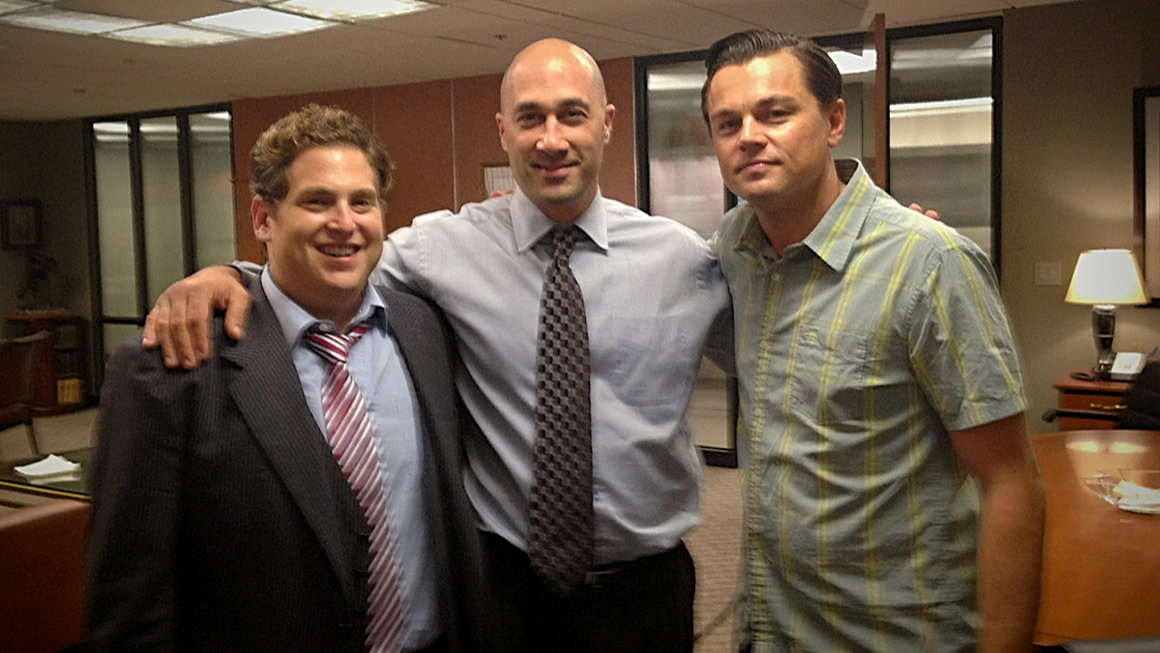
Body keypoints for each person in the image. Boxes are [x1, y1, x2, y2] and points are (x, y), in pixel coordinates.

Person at [140, 39, 732, 653]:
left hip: (645, 591)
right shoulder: (438, 250)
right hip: (501, 590)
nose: (550, 139)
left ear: (606, 124)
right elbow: (334, 260)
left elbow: (762, 357)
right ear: (503, 131)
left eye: (572, 114)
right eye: (529, 117)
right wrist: (231, 275)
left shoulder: (683, 260)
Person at [86, 104, 489, 653]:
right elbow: (130, 593)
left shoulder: (424, 328)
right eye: (317, 201)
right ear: (261, 219)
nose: (344, 223)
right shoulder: (173, 363)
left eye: (362, 202)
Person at [701, 30, 1045, 652]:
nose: (749, 134)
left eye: (775, 113)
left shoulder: (930, 263)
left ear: (835, 120)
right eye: (727, 123)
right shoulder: (733, 246)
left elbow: (1010, 481)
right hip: (769, 624)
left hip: (893, 633)